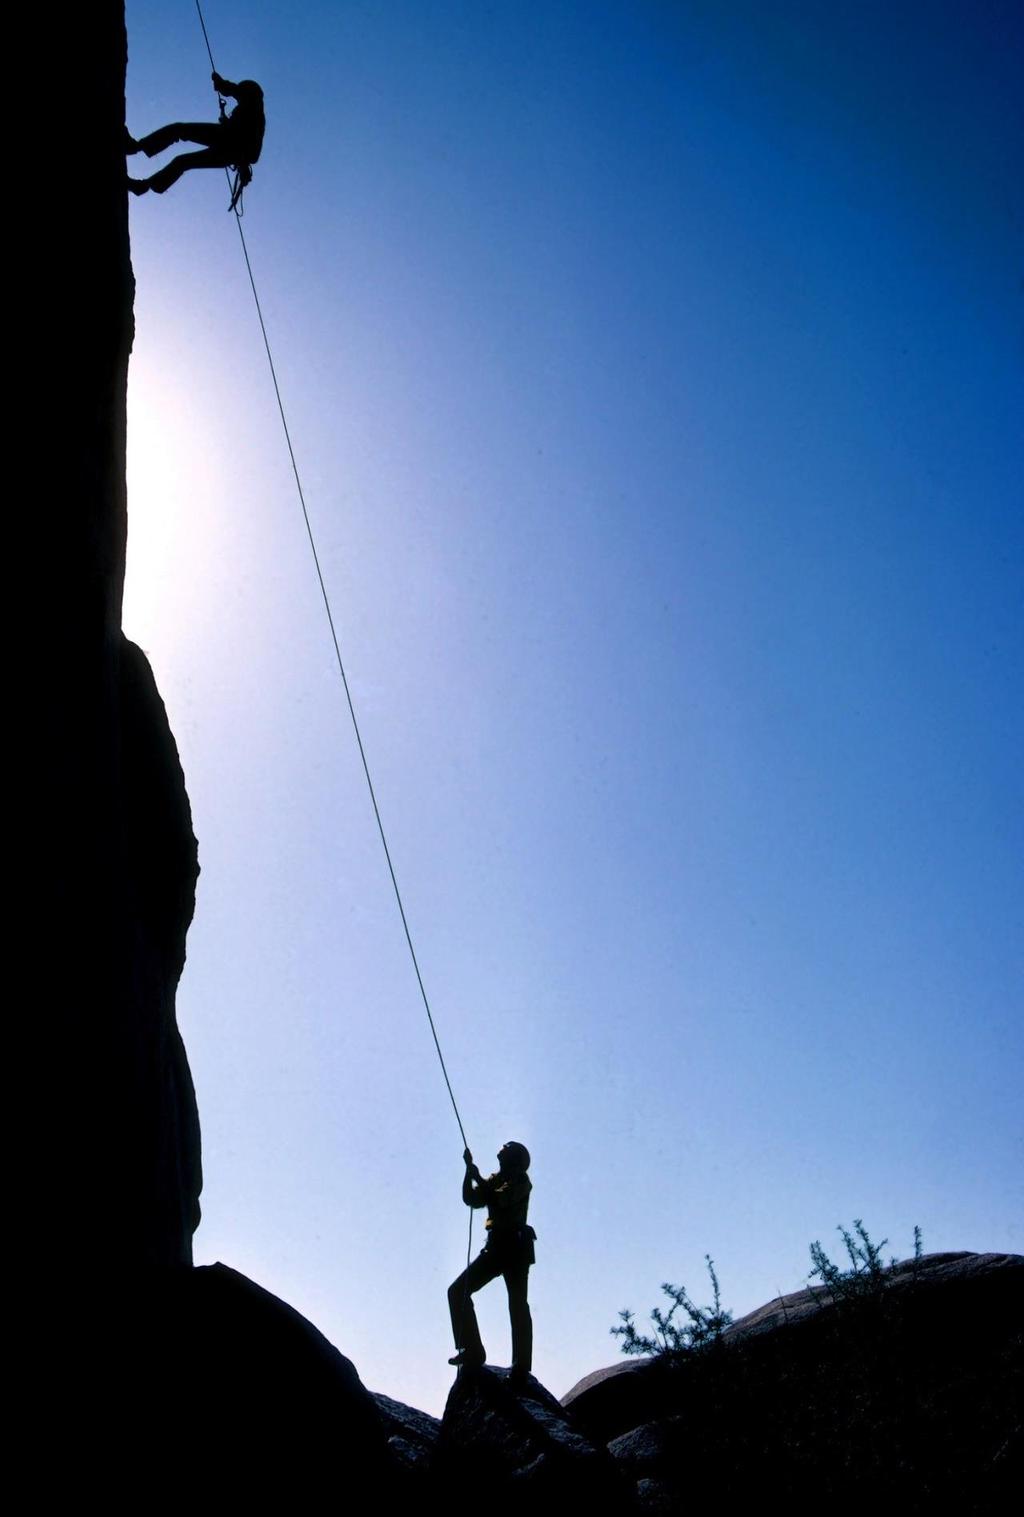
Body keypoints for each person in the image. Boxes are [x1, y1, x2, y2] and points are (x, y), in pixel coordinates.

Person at [448, 1141, 536, 1380]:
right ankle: (471, 1349)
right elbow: (472, 1199)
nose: (501, 1148)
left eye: (507, 1147)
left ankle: (521, 1365)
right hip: (496, 1247)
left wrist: (477, 1175)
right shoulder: (496, 1178)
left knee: (517, 1304)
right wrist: (469, 1173)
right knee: (458, 1291)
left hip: (515, 1249)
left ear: (515, 1158)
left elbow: (499, 1200)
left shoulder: (521, 1181)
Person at [127, 72, 265, 197]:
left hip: (226, 141)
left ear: (251, 93)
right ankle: (144, 186)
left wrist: (220, 83)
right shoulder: (251, 112)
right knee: (182, 160)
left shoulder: (253, 108)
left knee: (179, 131)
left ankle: (137, 148)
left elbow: (232, 90)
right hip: (227, 149)